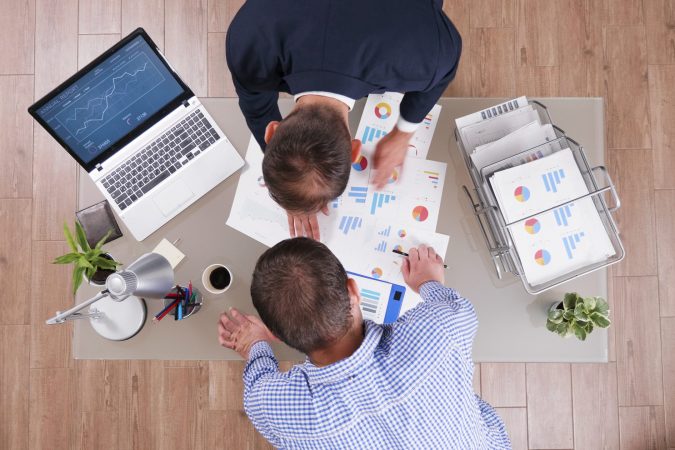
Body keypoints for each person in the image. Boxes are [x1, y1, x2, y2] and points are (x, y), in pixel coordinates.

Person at [217, 238, 511, 449]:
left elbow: (257, 386)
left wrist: (254, 345)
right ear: (353, 290)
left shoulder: (275, 409)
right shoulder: (438, 331)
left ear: (277, 334)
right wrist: (428, 282)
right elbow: (456, 309)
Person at [226, 0, 462, 240]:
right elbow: (256, 105)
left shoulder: (426, 55)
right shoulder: (248, 40)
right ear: (271, 131)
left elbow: (446, 66)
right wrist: (289, 180)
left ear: (355, 150)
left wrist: (403, 132)